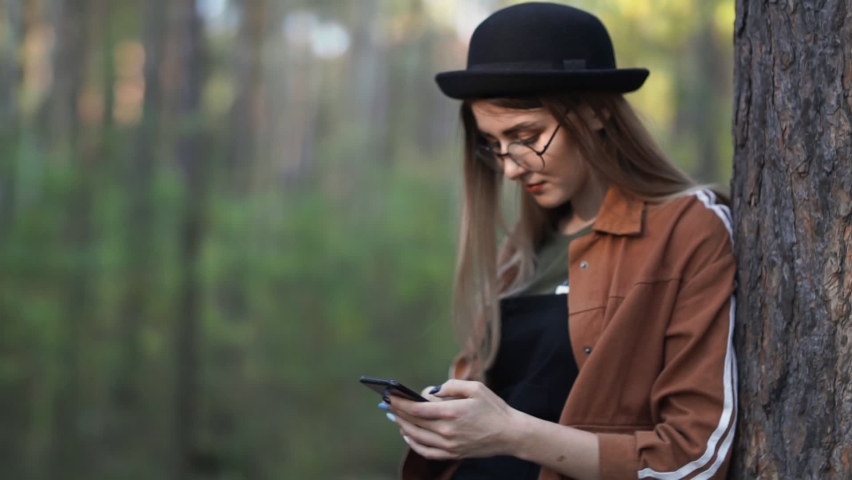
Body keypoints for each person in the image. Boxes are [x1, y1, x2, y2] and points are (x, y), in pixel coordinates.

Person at [378, 3, 737, 479]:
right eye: (493, 144)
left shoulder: (688, 230)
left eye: (525, 135)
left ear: (593, 113)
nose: (509, 166)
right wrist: (442, 422)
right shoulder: (520, 254)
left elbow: (695, 456)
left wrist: (510, 432)